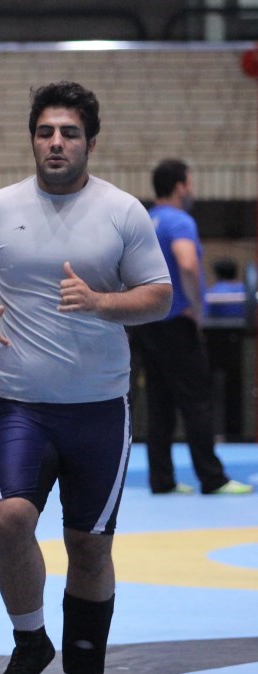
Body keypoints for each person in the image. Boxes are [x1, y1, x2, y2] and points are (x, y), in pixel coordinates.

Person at [0, 82, 173, 674]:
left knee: (89, 545)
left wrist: (100, 301)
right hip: (22, 404)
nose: (56, 143)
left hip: (100, 409)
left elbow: (159, 295)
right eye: (46, 132)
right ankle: (31, 640)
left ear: (91, 142)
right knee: (8, 519)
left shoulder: (122, 211)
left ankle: (85, 671)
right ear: (33, 140)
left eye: (69, 133)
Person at [132, 160, 252, 496]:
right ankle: (212, 478)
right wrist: (197, 308)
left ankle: (162, 480)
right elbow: (186, 263)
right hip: (176, 324)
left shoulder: (146, 220)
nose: (192, 189)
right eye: (190, 182)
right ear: (180, 186)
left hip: (147, 324)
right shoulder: (179, 221)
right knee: (197, 400)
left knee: (159, 404)